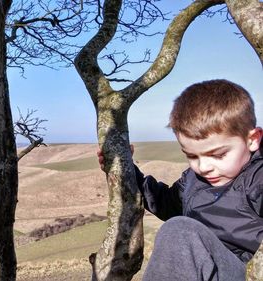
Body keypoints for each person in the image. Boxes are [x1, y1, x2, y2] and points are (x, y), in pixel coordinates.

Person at [97, 79, 263, 280]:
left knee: (179, 230)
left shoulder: (257, 179)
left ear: (252, 139)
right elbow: (165, 203)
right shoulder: (194, 180)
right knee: (177, 228)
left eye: (218, 155)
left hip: (241, 272)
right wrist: (127, 170)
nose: (203, 167)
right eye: (192, 156)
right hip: (199, 270)